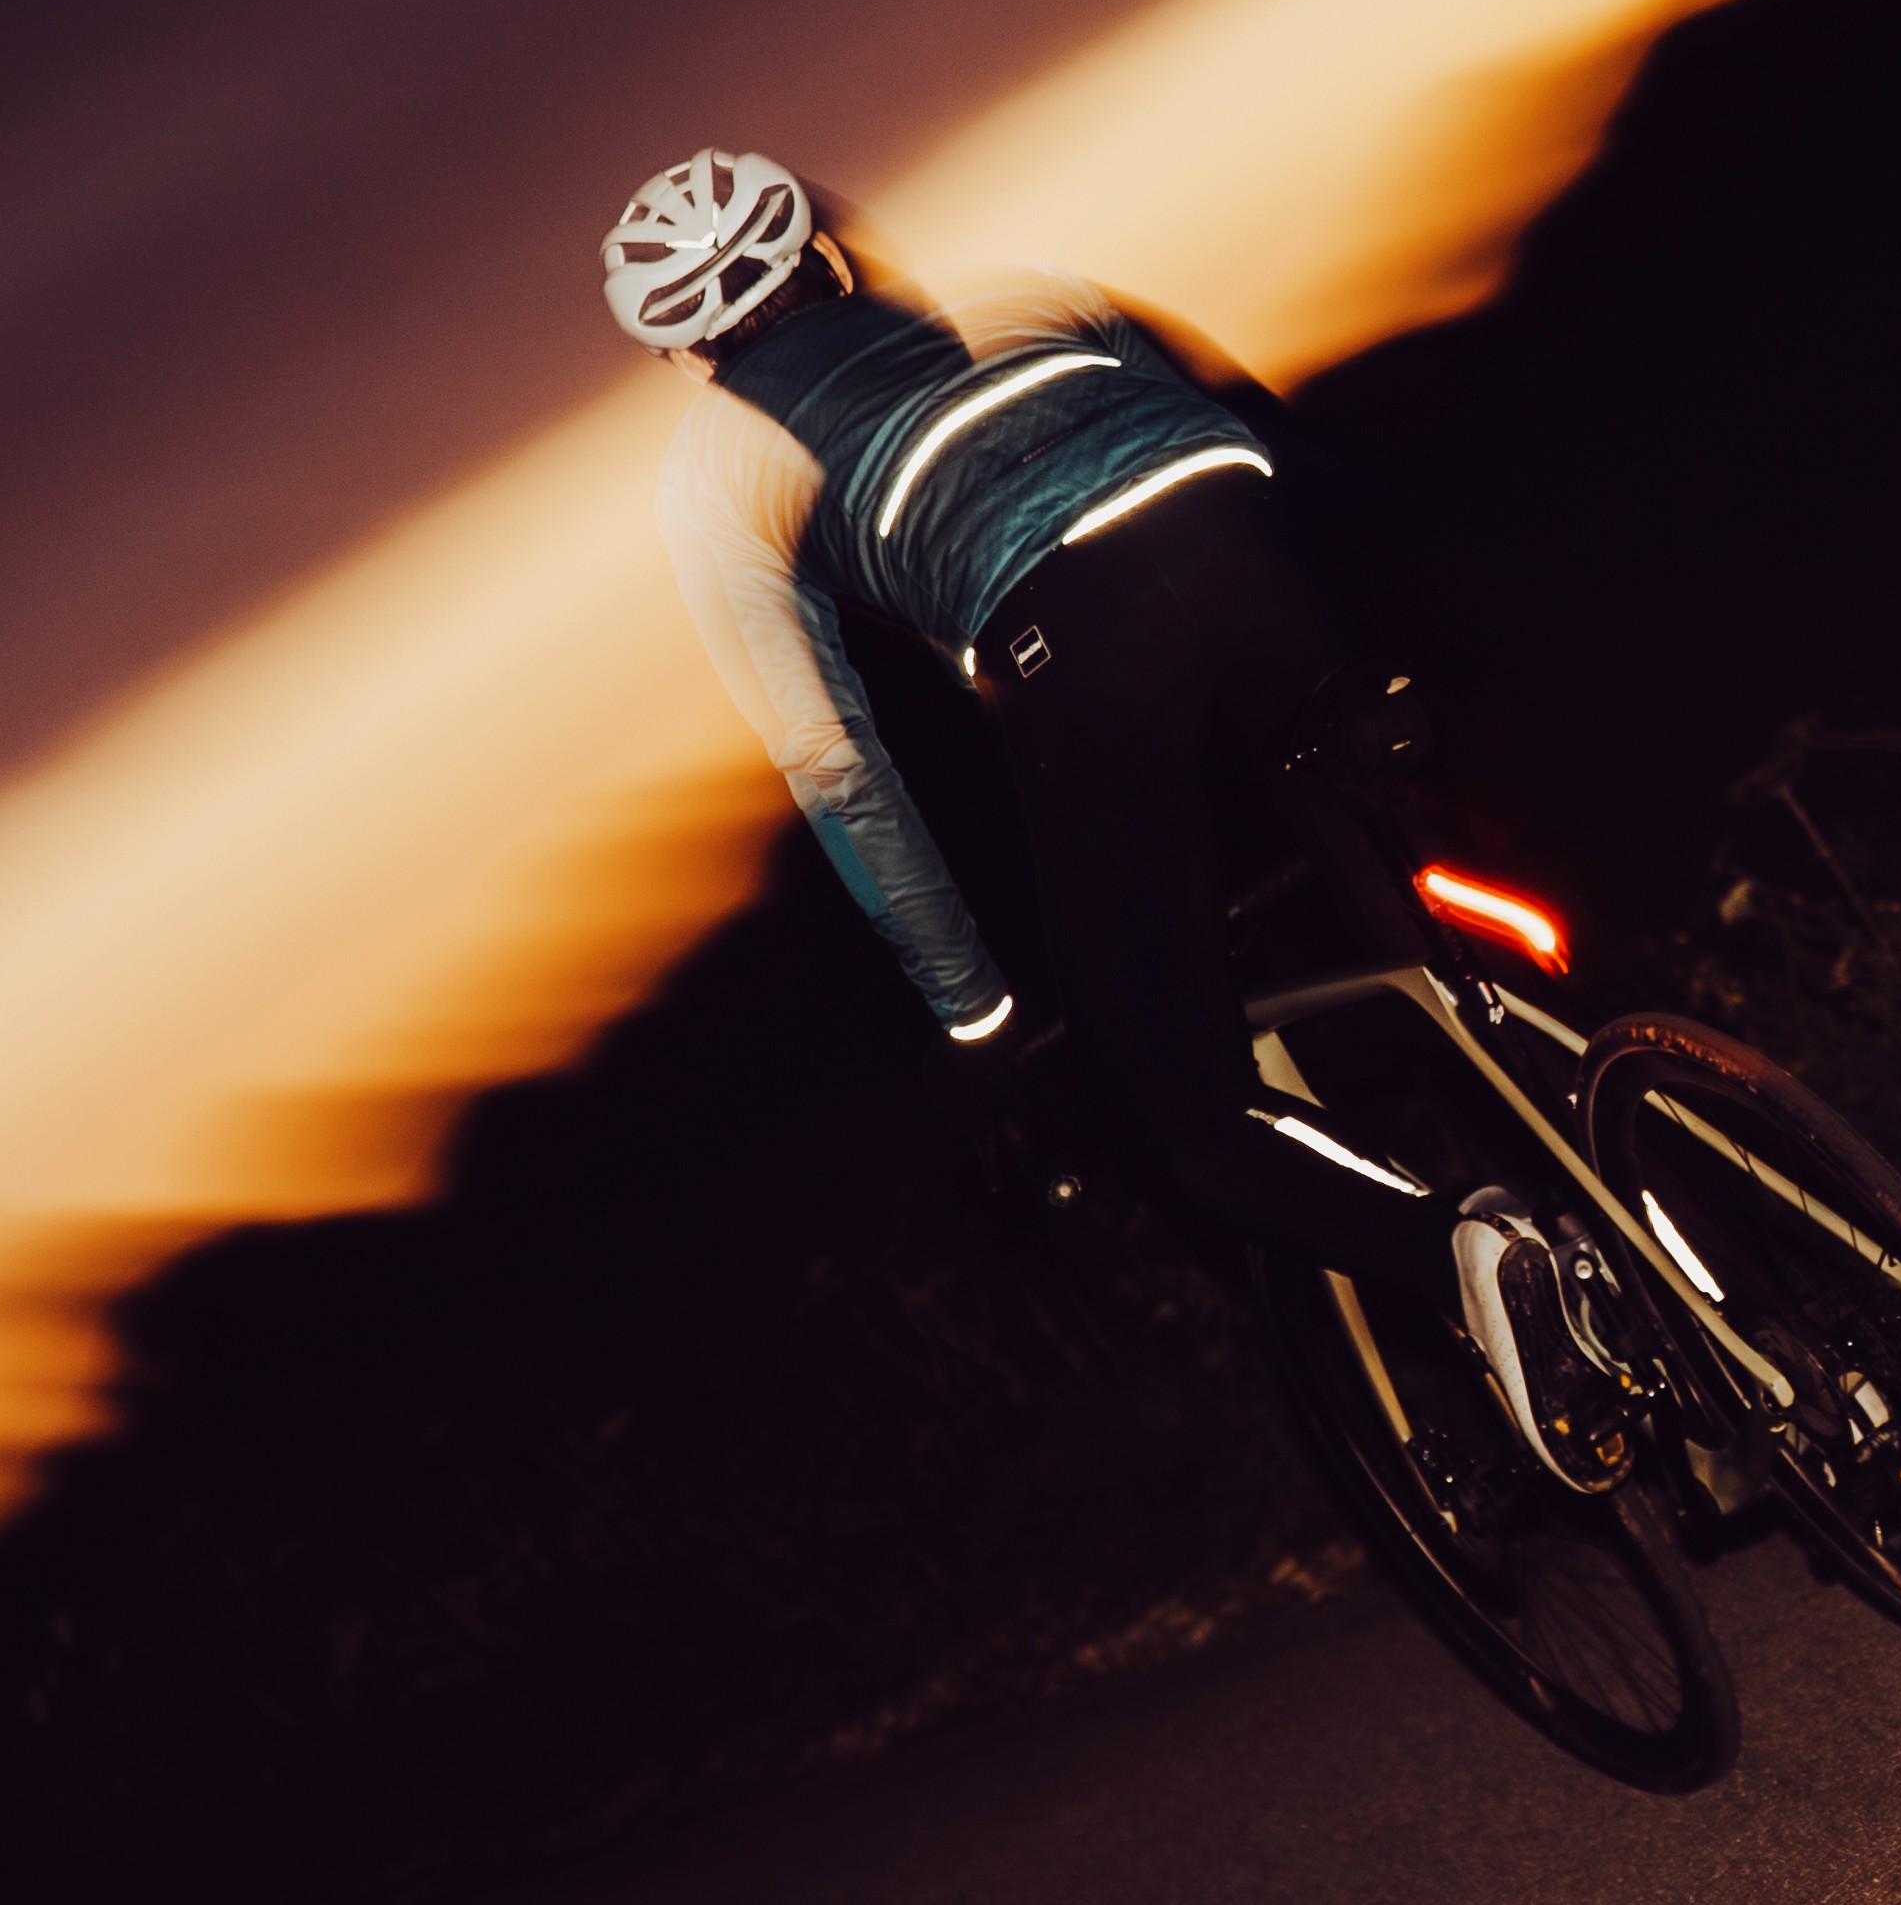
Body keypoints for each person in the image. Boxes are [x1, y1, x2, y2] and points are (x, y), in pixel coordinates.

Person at [604, 148, 1637, 1489]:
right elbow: (1252, 422)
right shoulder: (1012, 285)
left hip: (1076, 646)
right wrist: (1403, 654)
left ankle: (1464, 1250)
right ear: (828, 257)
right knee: (1421, 885)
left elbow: (834, 762)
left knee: (1188, 1108)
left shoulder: (712, 471)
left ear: (685, 357)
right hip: (1251, 539)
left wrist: (976, 1016)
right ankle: (1683, 1218)